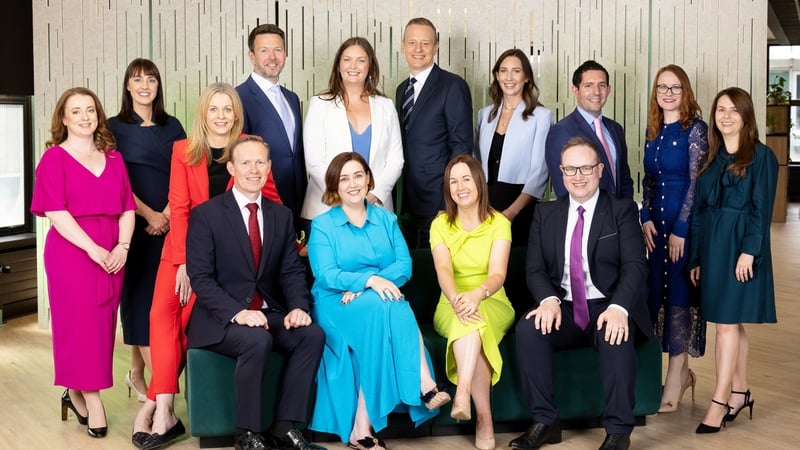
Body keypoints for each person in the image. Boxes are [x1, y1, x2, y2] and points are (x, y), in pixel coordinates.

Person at [134, 83, 282, 450]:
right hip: (183, 250)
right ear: (203, 113)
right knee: (161, 316)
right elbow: (179, 206)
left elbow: (271, 196)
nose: (220, 116)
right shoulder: (183, 150)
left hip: (229, 258)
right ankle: (163, 408)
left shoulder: (250, 147)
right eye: (213, 109)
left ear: (236, 114)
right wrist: (186, 260)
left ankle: (158, 407)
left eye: (227, 109)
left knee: (186, 325)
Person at [186, 135, 326, 450]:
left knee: (311, 335)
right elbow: (201, 277)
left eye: (260, 162)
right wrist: (238, 313)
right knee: (257, 339)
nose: (254, 169)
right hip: (221, 319)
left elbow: (291, 270)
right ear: (232, 168)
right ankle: (246, 434)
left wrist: (297, 307)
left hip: (267, 312)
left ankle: (285, 427)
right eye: (246, 162)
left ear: (269, 167)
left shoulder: (281, 215)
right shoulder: (206, 215)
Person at [512, 137, 650, 450]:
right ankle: (545, 421)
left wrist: (619, 308)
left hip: (607, 304)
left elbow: (635, 266)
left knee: (617, 333)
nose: (579, 176)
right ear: (561, 172)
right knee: (529, 330)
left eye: (586, 167)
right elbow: (534, 270)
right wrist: (547, 301)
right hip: (563, 307)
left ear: (600, 170)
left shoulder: (622, 210)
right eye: (571, 169)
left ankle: (618, 431)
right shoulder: (546, 214)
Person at [307, 152, 449, 449]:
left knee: (385, 309)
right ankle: (424, 383)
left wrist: (373, 286)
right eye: (344, 179)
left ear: (369, 179)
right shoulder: (323, 225)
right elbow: (325, 273)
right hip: (335, 304)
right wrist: (368, 281)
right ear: (335, 186)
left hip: (375, 300)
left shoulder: (386, 219)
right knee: (392, 304)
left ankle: (362, 429)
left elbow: (404, 264)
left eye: (358, 175)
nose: (353, 184)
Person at [31, 87, 136, 438]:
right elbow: (56, 213)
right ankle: (93, 402)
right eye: (75, 111)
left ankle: (74, 389)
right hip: (71, 252)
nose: (84, 116)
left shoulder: (114, 159)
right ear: (63, 118)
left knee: (102, 328)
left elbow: (127, 209)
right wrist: (93, 249)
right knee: (78, 326)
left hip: (112, 250)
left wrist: (122, 247)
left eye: (90, 110)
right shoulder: (54, 160)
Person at [689, 87, 778, 434]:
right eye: (720, 110)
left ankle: (719, 400)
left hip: (740, 245)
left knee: (725, 323)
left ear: (746, 116)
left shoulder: (761, 156)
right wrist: (696, 256)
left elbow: (761, 208)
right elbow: (698, 211)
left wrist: (750, 251)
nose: (726, 116)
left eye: (733, 110)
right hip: (712, 246)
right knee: (729, 321)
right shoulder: (710, 158)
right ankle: (740, 393)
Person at [108, 58, 186, 404]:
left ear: (158, 85)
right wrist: (150, 215)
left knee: (163, 303)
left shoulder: (173, 126)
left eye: (151, 79)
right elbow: (116, 180)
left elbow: (185, 171)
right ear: (127, 86)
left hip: (171, 224)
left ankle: (139, 375)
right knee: (139, 302)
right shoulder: (113, 127)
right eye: (137, 79)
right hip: (133, 225)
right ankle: (157, 389)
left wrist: (167, 214)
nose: (144, 85)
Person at [431, 154, 514, 450]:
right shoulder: (440, 225)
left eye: (466, 178)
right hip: (450, 302)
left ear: (479, 182)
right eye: (453, 181)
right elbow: (443, 269)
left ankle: (462, 391)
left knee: (477, 318)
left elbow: (498, 274)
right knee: (470, 322)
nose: (460, 186)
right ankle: (484, 419)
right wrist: (456, 299)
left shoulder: (499, 223)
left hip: (491, 299)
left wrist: (477, 295)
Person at [640, 64, 707, 413]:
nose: (668, 93)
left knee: (680, 298)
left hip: (683, 228)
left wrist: (681, 228)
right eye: (662, 87)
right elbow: (648, 181)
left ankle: (675, 378)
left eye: (675, 87)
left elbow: (697, 181)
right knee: (655, 296)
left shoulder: (695, 130)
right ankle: (677, 375)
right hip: (656, 230)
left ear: (686, 92)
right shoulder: (652, 131)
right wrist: (645, 216)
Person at [301, 37, 404, 221]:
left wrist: (374, 194)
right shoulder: (320, 105)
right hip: (327, 208)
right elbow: (314, 160)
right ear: (338, 66)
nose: (353, 65)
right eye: (347, 59)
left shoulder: (386, 106)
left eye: (361, 60)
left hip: (376, 209)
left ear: (370, 66)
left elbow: (395, 160)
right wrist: (344, 196)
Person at [396, 17, 473, 248]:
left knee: (436, 270)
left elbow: (461, 147)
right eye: (412, 43)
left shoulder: (452, 86)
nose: (418, 49)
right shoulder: (402, 89)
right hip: (406, 202)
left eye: (425, 43)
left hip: (438, 201)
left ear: (436, 47)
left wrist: (449, 200)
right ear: (403, 46)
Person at [475, 48, 552, 246]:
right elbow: (476, 164)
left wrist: (511, 213)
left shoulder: (541, 116)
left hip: (521, 208)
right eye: (503, 70)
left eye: (516, 71)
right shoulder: (484, 115)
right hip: (485, 207)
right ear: (497, 75)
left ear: (526, 77)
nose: (509, 77)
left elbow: (539, 172)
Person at [237, 23, 307, 238]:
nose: (272, 57)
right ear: (251, 56)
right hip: (264, 199)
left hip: (299, 199)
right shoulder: (238, 97)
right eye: (264, 50)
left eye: (278, 50)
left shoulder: (292, 98)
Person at [544, 60, 633, 199]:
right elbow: (563, 189)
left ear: (608, 89)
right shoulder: (562, 131)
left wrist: (627, 212)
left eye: (601, 85)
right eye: (588, 86)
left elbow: (625, 178)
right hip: (588, 219)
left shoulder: (616, 129)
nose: (596, 92)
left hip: (620, 217)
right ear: (575, 90)